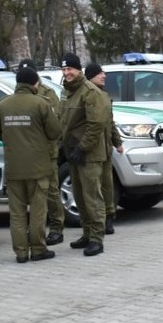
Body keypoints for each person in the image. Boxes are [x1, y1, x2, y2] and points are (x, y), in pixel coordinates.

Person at [0, 67, 61, 263]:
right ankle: (38, 249)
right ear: (35, 84)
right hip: (38, 168)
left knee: (17, 213)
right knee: (38, 212)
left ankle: (21, 253)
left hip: (14, 168)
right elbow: (55, 131)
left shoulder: (3, 105)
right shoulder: (41, 104)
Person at [60, 53, 109, 256]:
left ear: (78, 70)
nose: (66, 73)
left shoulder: (89, 91)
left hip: (88, 154)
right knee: (79, 197)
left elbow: (95, 124)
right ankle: (87, 233)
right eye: (63, 70)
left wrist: (82, 147)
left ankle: (97, 238)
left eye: (70, 69)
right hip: (73, 153)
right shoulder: (68, 92)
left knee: (92, 197)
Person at [17, 59, 66, 246]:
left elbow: (55, 122)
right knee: (28, 193)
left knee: (51, 190)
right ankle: (34, 230)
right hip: (25, 152)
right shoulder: (17, 94)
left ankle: (56, 228)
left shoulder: (48, 94)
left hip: (46, 151)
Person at [84, 63, 123, 234]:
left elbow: (110, 123)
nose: (104, 76)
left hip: (106, 148)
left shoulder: (104, 96)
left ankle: (109, 218)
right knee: (94, 188)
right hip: (92, 150)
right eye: (100, 73)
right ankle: (96, 222)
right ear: (91, 76)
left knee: (108, 186)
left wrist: (117, 142)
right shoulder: (86, 95)